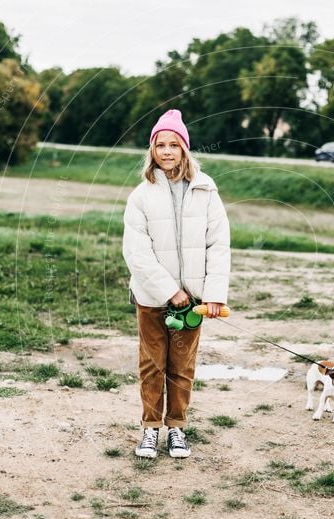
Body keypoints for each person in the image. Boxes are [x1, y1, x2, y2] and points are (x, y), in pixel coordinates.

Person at [122, 109, 230, 459]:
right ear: (151, 149)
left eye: (174, 144)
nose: (166, 151)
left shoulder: (206, 191)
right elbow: (136, 252)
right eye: (160, 145)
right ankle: (150, 430)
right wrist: (170, 291)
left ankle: (177, 429)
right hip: (153, 298)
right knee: (152, 364)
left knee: (181, 367)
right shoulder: (141, 195)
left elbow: (219, 245)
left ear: (185, 149)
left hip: (194, 302)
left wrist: (212, 295)